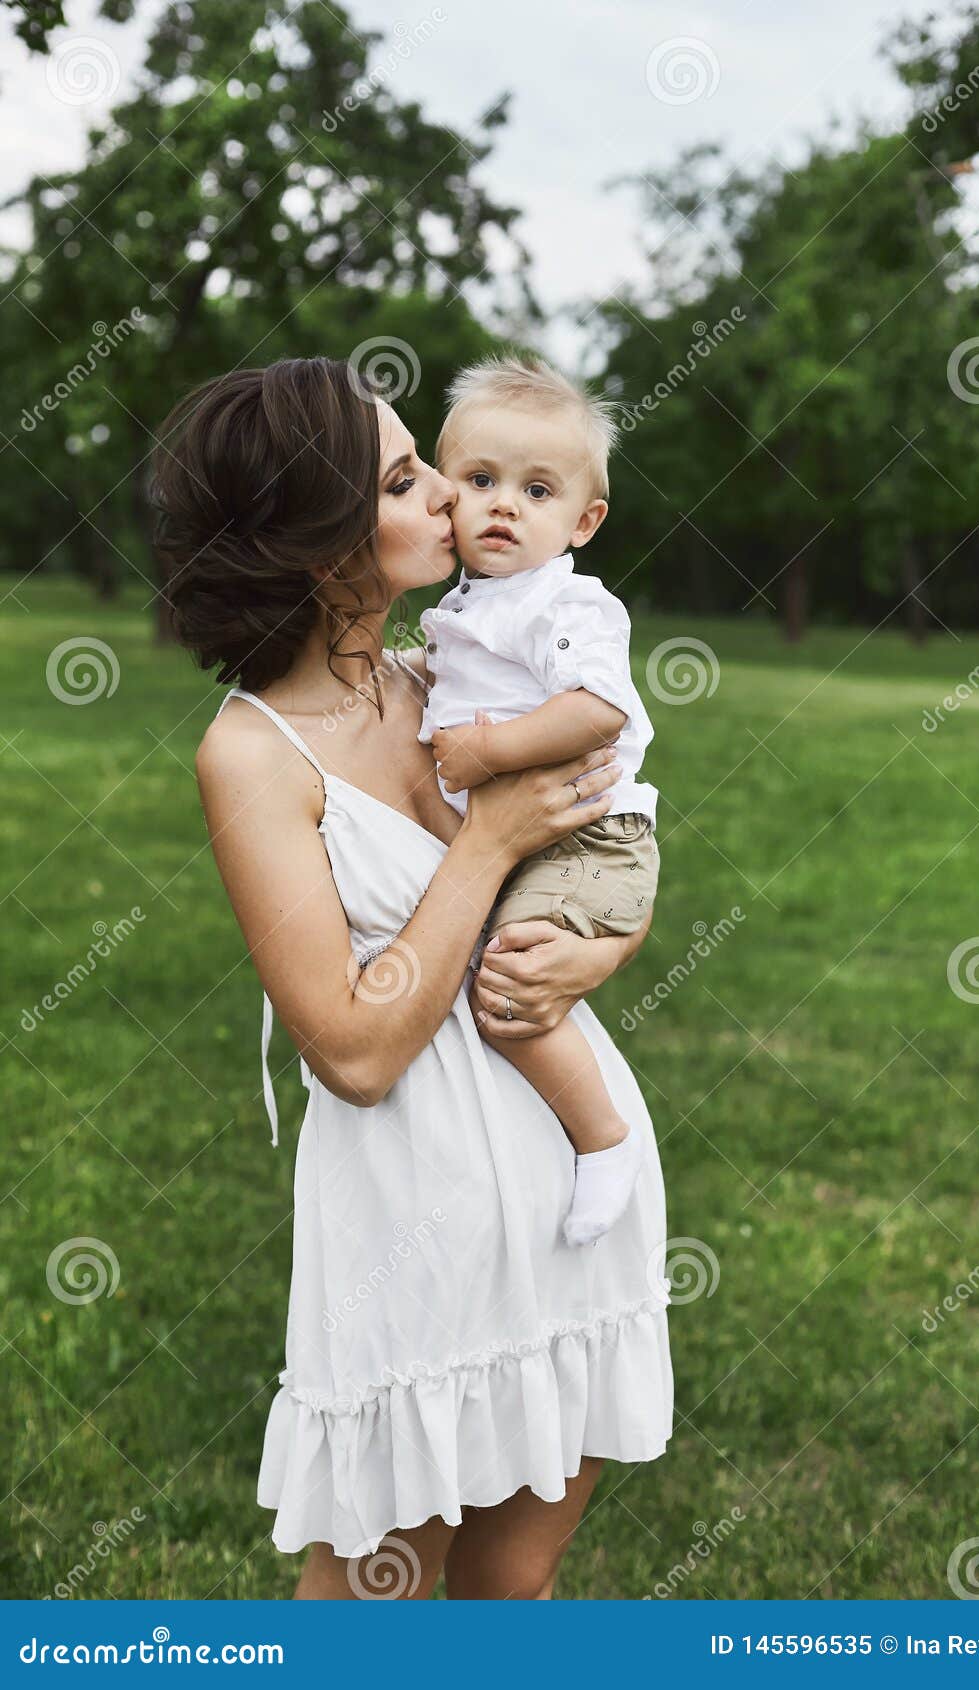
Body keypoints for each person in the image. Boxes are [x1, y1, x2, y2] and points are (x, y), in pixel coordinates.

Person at [152, 356, 673, 1600]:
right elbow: (354, 1048)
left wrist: (600, 950)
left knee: (510, 1597)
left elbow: (606, 860)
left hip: (567, 1189)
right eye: (404, 477)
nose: (451, 492)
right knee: (367, 1614)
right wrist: (487, 838)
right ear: (317, 535)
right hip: (411, 1235)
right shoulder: (251, 753)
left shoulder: (449, 680)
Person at [418, 354, 659, 1247]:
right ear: (446, 491)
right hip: (543, 839)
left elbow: (600, 710)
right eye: (479, 480)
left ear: (583, 521)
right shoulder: (474, 605)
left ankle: (603, 1139)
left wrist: (488, 751)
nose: (503, 505)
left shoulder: (562, 602)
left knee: (508, 991)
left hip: (590, 840)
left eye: (536, 489)